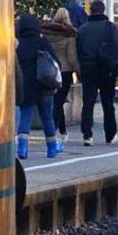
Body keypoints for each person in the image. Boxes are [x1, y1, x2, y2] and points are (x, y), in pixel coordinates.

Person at [75, 0, 118, 146]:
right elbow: (117, 48)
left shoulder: (82, 30)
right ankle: (110, 134)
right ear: (103, 10)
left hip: (88, 68)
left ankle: (87, 135)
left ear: (90, 10)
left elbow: (77, 51)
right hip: (106, 68)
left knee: (88, 102)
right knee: (108, 102)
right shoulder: (110, 28)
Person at [15, 14, 62, 159]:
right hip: (44, 86)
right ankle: (52, 148)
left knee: (25, 117)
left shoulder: (18, 44)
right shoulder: (42, 41)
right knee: (47, 117)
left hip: (25, 87)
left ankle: (22, 148)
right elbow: (56, 62)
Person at [41, 8, 78, 145]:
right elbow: (72, 58)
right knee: (58, 102)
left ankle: (62, 131)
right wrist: (78, 71)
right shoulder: (69, 35)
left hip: (49, 70)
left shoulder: (46, 33)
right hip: (64, 71)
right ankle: (54, 131)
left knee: (56, 100)